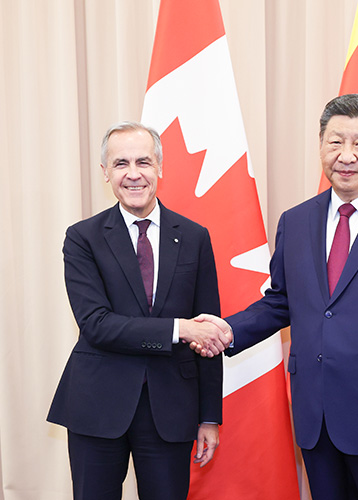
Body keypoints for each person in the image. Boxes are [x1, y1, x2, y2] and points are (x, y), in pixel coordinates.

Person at [194, 94, 358, 500]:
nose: (346, 155)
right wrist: (228, 330)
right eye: (335, 142)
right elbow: (282, 300)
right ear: (321, 145)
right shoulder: (296, 220)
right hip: (316, 416)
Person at [47, 121, 232, 500]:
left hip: (171, 407)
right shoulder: (82, 238)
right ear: (105, 173)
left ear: (160, 167)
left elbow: (208, 331)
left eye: (143, 162)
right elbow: (96, 324)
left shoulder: (195, 237)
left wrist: (209, 416)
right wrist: (179, 329)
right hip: (97, 406)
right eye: (121, 163)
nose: (133, 174)